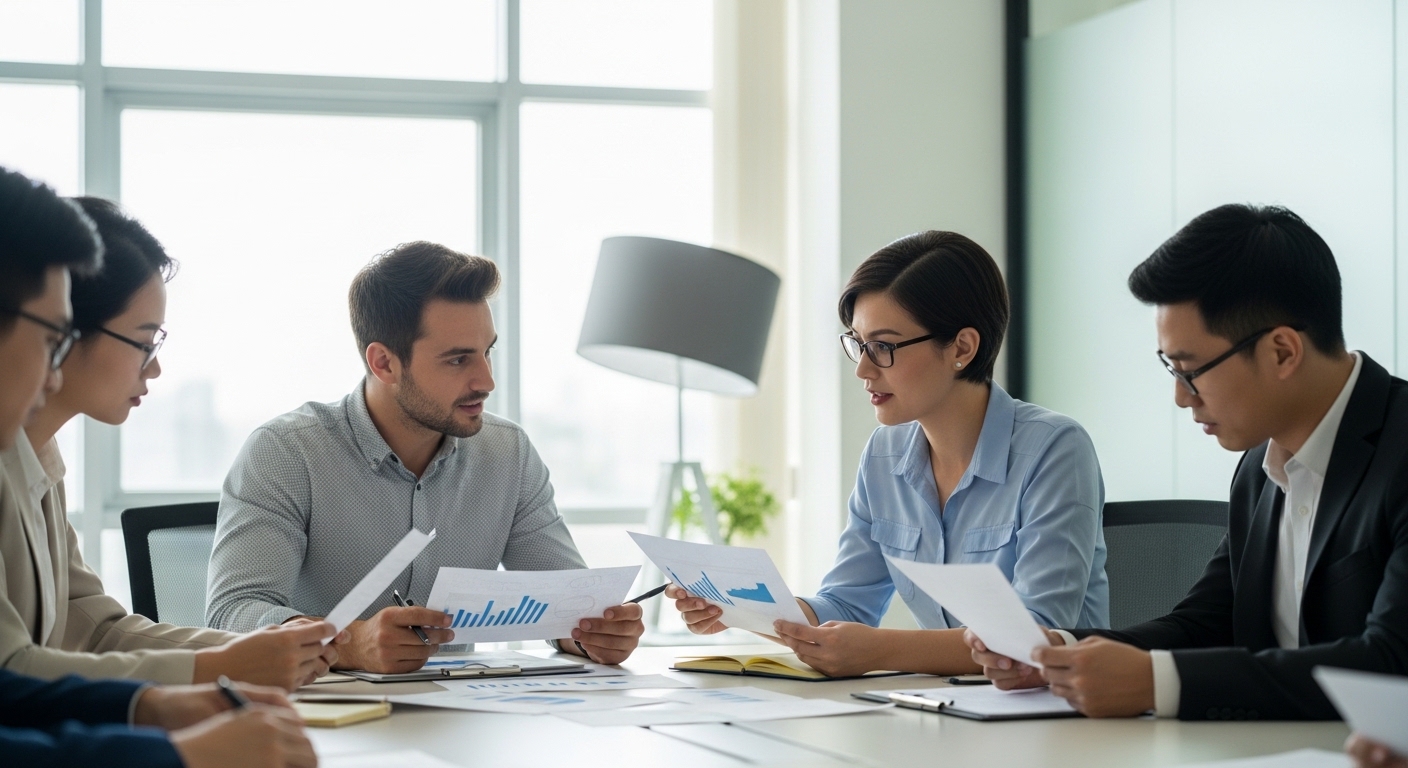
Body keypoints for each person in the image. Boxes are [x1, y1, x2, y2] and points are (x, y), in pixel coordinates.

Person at [967, 204, 1408, 720]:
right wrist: (1059, 653)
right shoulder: (1259, 468)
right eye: (1170, 369)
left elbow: (1390, 663)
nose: (1181, 397)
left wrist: (1158, 684)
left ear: (1283, 352)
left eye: (1191, 370)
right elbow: (1206, 624)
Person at [668, 230, 1109, 676]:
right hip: (949, 708)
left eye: (883, 347)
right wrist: (738, 608)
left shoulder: (1054, 449)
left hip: (1054, 714)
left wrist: (878, 651)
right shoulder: (884, 454)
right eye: (858, 344)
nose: (862, 368)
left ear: (961, 347)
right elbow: (845, 604)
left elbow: (1035, 634)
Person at [0, 166, 317, 767]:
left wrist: (171, 696)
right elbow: (11, 667)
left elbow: (87, 625)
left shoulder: (38, 455)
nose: (154, 368)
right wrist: (182, 724)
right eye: (52, 337)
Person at [205, 241, 645, 672]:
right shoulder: (287, 452)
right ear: (384, 364)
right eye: (458, 360)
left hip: (467, 721)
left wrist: (591, 635)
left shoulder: (508, 454)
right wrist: (348, 644)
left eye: (487, 352)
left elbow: (567, 603)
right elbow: (232, 613)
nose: (486, 380)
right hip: (327, 723)